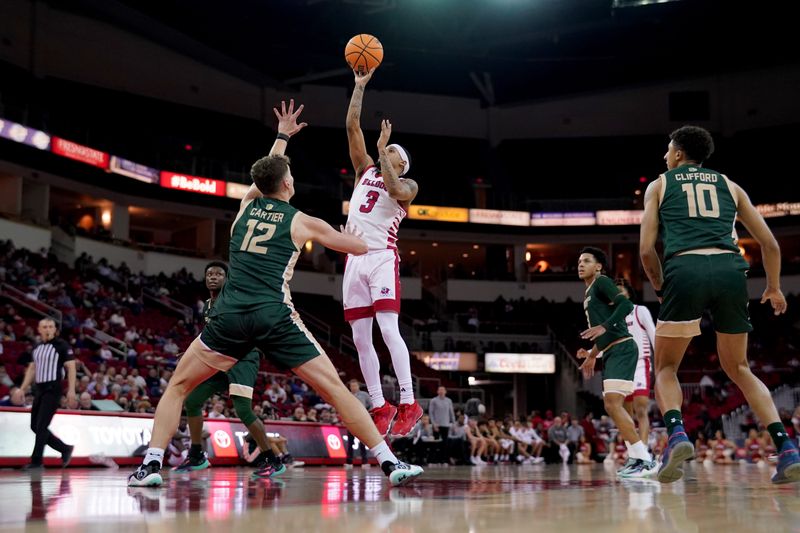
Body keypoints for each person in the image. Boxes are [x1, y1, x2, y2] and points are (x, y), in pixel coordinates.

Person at [128, 100, 423, 488]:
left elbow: (267, 172)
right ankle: (388, 462)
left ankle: (151, 464)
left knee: (178, 387)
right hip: (273, 314)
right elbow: (357, 247)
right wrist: (367, 239)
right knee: (334, 388)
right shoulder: (301, 220)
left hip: (230, 315)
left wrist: (282, 136)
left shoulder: (244, 206)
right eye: (290, 176)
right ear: (287, 184)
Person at [639, 125, 800, 484]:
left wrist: (661, 286)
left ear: (679, 154)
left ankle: (677, 435)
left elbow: (647, 250)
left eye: (668, 151)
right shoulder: (731, 185)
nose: (665, 157)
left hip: (685, 267)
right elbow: (771, 244)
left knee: (666, 368)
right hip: (730, 270)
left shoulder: (660, 184)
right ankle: (786, 448)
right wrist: (774, 287)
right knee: (740, 368)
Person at [343, 67, 422, 438]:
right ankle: (380, 404)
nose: (386, 153)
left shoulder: (407, 183)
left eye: (393, 152)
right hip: (353, 259)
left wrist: (382, 152)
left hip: (381, 259)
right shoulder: (364, 170)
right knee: (360, 338)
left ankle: (409, 401)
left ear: (402, 164)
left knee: (389, 330)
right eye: (385, 149)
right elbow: (352, 126)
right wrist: (359, 86)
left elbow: (393, 188)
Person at [172, 261, 284, 478]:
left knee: (243, 410)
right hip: (220, 356)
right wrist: (190, 350)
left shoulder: (236, 299)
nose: (213, 277)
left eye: (219, 274)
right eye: (210, 274)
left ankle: (274, 460)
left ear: (227, 278)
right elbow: (211, 333)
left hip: (242, 357)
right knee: (193, 401)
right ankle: (196, 455)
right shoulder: (207, 305)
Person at [576, 248, 657, 478]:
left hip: (622, 349)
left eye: (587, 261)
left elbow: (626, 305)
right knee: (614, 406)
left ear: (599, 266)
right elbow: (607, 335)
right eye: (579, 261)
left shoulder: (602, 282)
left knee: (613, 405)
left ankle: (644, 459)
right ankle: (637, 457)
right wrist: (592, 354)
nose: (581, 264)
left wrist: (604, 326)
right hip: (612, 350)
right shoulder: (590, 292)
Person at [14, 318, 76, 469]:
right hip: (39, 389)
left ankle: (36, 461)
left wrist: (71, 390)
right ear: (39, 329)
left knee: (41, 425)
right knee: (34, 426)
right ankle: (65, 448)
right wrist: (22, 388)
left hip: (53, 389)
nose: (48, 329)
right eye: (44, 327)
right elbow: (32, 369)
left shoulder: (62, 345)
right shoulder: (37, 347)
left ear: (55, 329)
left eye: (50, 327)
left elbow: (71, 367)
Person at [615, 278, 656, 445]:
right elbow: (607, 345)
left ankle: (644, 453)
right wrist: (590, 354)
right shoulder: (614, 318)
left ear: (629, 293)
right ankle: (634, 452)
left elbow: (653, 335)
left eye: (621, 290)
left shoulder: (640, 310)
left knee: (641, 410)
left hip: (640, 363)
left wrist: (661, 362)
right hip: (623, 369)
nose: (618, 293)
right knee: (626, 415)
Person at [346, 379, 370, 468]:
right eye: (352, 386)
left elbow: (371, 405)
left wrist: (367, 413)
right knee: (350, 442)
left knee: (363, 442)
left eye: (355, 386)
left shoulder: (364, 395)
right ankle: (349, 462)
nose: (353, 388)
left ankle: (365, 461)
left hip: (362, 420)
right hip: (351, 421)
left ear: (358, 386)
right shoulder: (347, 395)